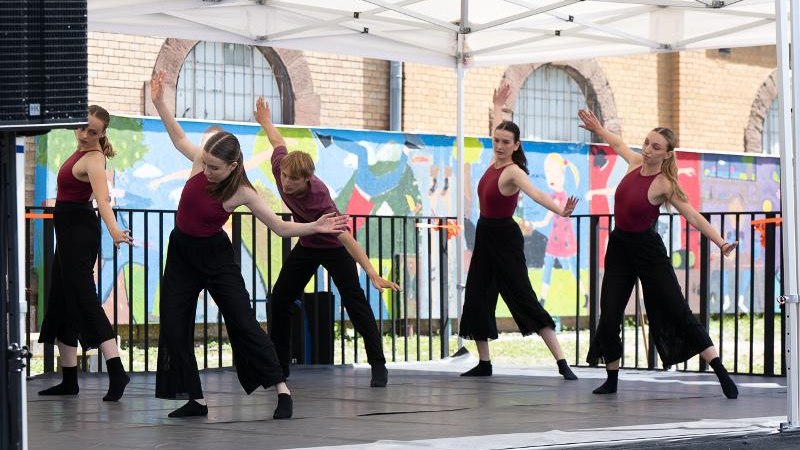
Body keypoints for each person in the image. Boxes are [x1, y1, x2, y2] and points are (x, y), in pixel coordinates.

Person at [150, 71, 349, 419]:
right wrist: (159, 103)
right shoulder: (200, 161)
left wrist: (315, 225)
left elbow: (279, 228)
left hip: (215, 257)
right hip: (182, 252)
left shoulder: (243, 192)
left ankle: (282, 390)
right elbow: (178, 136)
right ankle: (195, 399)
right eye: (206, 164)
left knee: (242, 320)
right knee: (173, 323)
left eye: (215, 168)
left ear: (233, 166)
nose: (207, 171)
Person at [578, 108, 739, 399]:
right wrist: (599, 129)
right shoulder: (635, 162)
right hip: (619, 249)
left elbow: (692, 215)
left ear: (667, 154)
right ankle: (612, 379)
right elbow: (617, 144)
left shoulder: (665, 184)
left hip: (648, 251)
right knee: (610, 313)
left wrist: (720, 242)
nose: (648, 149)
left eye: (656, 146)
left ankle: (719, 370)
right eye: (647, 142)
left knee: (678, 310)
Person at [254, 97, 400, 387]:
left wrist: (372, 273)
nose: (285, 184)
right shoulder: (281, 166)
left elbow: (346, 237)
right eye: (283, 177)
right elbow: (277, 141)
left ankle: (378, 364)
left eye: (292, 181)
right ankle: (279, 369)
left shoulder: (319, 198)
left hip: (332, 248)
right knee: (281, 297)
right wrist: (266, 121)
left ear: (307, 179)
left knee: (354, 301)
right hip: (308, 245)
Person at [457, 84, 579, 380]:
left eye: (505, 142)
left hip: (504, 238)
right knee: (476, 297)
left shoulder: (513, 171)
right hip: (485, 236)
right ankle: (484, 363)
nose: (498, 145)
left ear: (515, 145)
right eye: (496, 140)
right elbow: (495, 129)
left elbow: (536, 193)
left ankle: (562, 363)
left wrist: (559, 209)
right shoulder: (492, 162)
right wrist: (497, 106)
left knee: (524, 297)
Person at [38, 105, 134, 402]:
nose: (85, 135)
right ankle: (69, 380)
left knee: (84, 299)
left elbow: (103, 201)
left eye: (93, 132)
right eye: (83, 128)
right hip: (68, 232)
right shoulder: (80, 152)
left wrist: (116, 231)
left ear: (102, 134)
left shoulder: (94, 159)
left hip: (79, 233)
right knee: (61, 300)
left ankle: (117, 371)